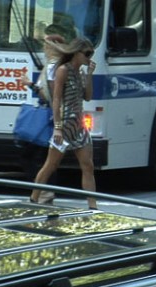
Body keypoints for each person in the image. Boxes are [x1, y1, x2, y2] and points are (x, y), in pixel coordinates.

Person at [30, 37, 98, 209]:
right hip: (65, 124)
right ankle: (33, 198)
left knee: (88, 165)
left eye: (91, 54)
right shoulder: (63, 70)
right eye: (87, 54)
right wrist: (58, 128)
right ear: (76, 52)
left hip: (79, 125)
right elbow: (56, 99)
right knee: (51, 165)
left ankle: (93, 206)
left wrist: (89, 75)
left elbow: (88, 96)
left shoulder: (80, 72)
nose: (89, 57)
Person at [20, 34, 65, 204]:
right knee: (44, 157)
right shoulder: (54, 65)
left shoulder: (53, 66)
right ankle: (44, 191)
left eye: (46, 45)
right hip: (52, 116)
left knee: (36, 156)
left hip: (50, 117)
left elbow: (52, 95)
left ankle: (43, 192)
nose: (43, 49)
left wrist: (30, 84)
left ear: (52, 47)